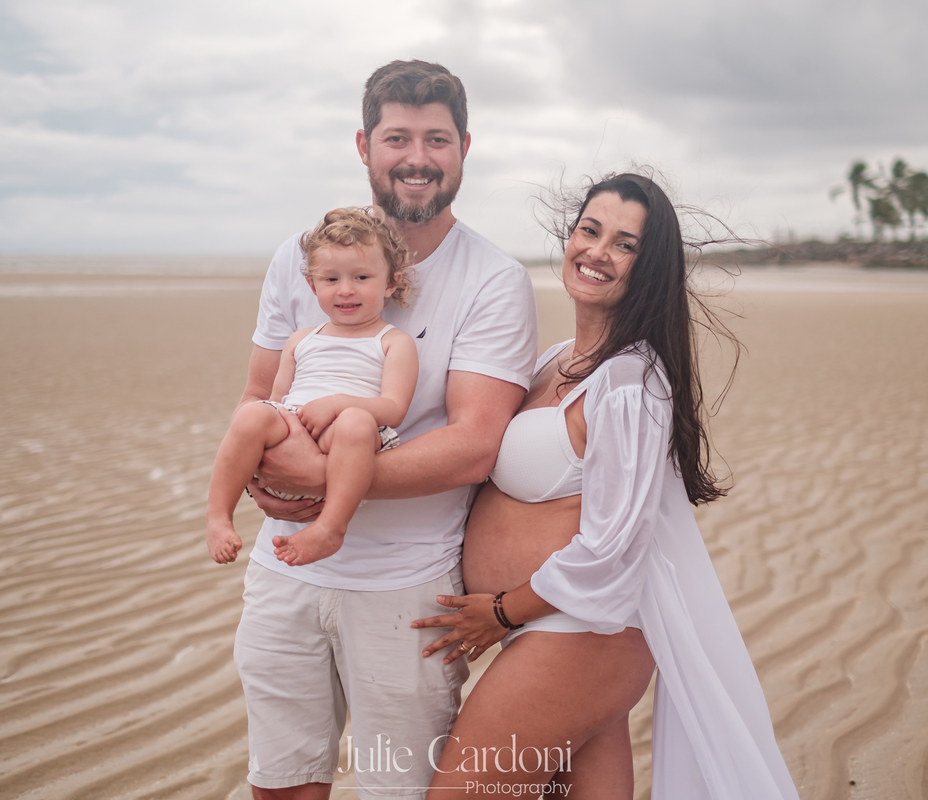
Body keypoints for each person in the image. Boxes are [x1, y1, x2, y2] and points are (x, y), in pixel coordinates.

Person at [413, 173, 800, 800]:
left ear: (649, 269)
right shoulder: (557, 358)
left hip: (578, 636)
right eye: (589, 231)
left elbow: (612, 547)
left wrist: (502, 611)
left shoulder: (629, 384)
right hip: (559, 634)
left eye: (625, 245)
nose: (596, 252)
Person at [232, 61, 539, 799]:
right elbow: (257, 394)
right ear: (364, 145)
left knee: (396, 791)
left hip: (408, 588)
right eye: (398, 137)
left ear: (464, 148)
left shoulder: (494, 279)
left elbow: (475, 444)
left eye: (437, 139)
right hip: (283, 569)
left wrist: (324, 479)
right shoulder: (299, 258)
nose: (417, 158)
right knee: (280, 783)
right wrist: (257, 478)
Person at [205, 206, 419, 568]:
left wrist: (337, 404)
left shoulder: (393, 341)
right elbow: (276, 400)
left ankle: (331, 527)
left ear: (390, 283)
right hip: (294, 430)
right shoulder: (302, 339)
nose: (346, 290)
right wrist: (272, 432)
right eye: (331, 279)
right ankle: (218, 516)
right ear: (312, 285)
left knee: (356, 422)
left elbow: (394, 409)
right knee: (252, 415)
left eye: (362, 277)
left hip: (347, 445)